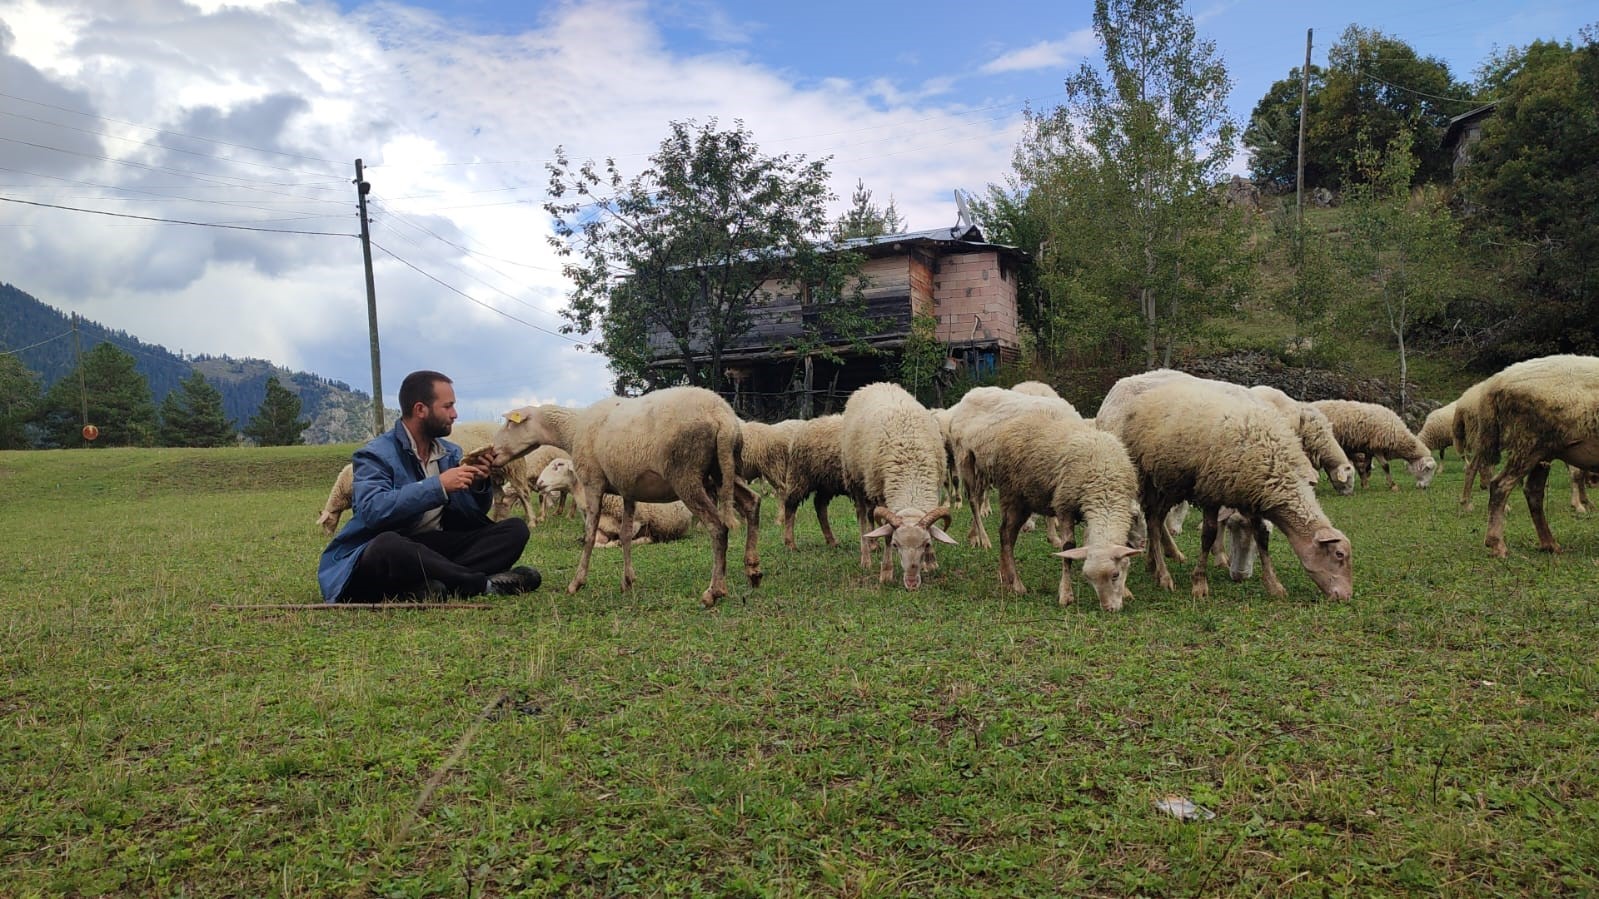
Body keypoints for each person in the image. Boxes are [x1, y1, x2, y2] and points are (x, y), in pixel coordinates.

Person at [317, 370, 541, 602]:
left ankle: (425, 586)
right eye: (448, 407)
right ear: (420, 410)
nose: (455, 414)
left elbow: (469, 516)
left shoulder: (449, 452)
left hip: (433, 545)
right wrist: (439, 486)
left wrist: (477, 484)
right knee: (388, 546)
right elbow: (372, 511)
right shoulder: (375, 454)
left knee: (514, 530)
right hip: (388, 549)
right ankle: (480, 584)